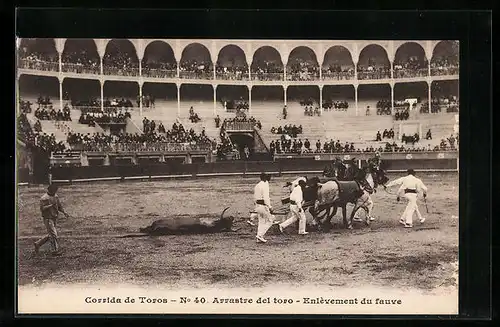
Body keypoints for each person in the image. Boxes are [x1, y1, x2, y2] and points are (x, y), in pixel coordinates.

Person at [34, 184, 70, 256]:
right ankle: (54, 251)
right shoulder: (44, 198)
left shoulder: (56, 196)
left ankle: (38, 243)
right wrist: (50, 206)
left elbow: (59, 206)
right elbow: (42, 209)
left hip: (54, 217)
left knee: (51, 234)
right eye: (54, 191)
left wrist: (64, 212)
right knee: (54, 234)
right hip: (48, 218)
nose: (55, 192)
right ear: (50, 190)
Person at [252, 173, 276, 243]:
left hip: (258, 205)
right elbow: (266, 198)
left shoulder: (257, 185)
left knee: (261, 222)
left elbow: (255, 197)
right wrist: (270, 207)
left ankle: (259, 238)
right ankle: (260, 235)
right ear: (265, 178)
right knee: (270, 220)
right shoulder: (265, 185)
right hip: (263, 205)